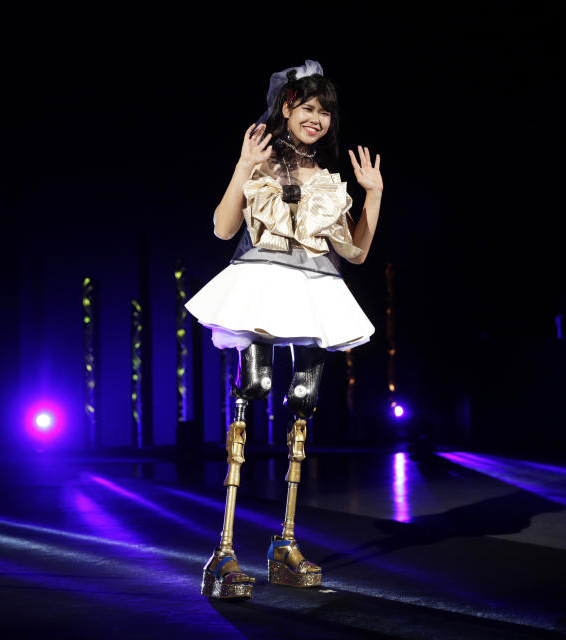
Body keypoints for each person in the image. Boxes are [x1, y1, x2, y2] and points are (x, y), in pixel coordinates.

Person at [185, 60, 384, 599]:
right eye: (307, 107)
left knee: (303, 397)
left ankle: (284, 542)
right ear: (286, 108)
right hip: (263, 285)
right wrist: (243, 165)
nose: (316, 118)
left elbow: (357, 253)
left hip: (313, 291)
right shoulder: (262, 165)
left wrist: (373, 194)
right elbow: (225, 228)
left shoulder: (325, 181)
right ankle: (224, 551)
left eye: (324, 111)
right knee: (254, 388)